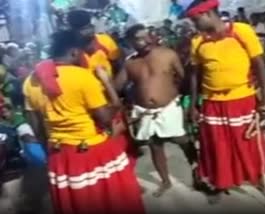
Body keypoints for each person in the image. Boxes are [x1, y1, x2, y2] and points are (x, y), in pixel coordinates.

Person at [23, 30, 144, 214]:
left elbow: (36, 126)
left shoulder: (30, 81)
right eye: (82, 53)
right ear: (74, 52)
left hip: (60, 154)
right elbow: (105, 118)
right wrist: (107, 83)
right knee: (114, 199)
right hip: (94, 151)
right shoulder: (82, 77)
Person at [186, 0, 265, 203]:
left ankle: (259, 180)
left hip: (242, 99)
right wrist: (192, 105)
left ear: (209, 13)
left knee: (249, 143)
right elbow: (194, 75)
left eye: (195, 19)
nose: (194, 24)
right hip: (211, 102)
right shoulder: (197, 42)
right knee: (216, 146)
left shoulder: (241, 31)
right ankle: (219, 183)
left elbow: (259, 64)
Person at [114, 24, 198, 197]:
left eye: (146, 36)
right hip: (145, 112)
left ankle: (198, 173)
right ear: (130, 42)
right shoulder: (130, 63)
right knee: (155, 146)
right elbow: (117, 86)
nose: (144, 40)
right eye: (138, 38)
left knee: (182, 140)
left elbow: (184, 78)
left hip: (169, 107)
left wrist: (187, 102)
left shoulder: (168, 54)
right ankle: (165, 181)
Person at [67, 10, 121, 77]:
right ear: (74, 31)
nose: (90, 31)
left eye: (90, 26)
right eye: (84, 29)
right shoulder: (72, 52)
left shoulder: (104, 40)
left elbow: (117, 63)